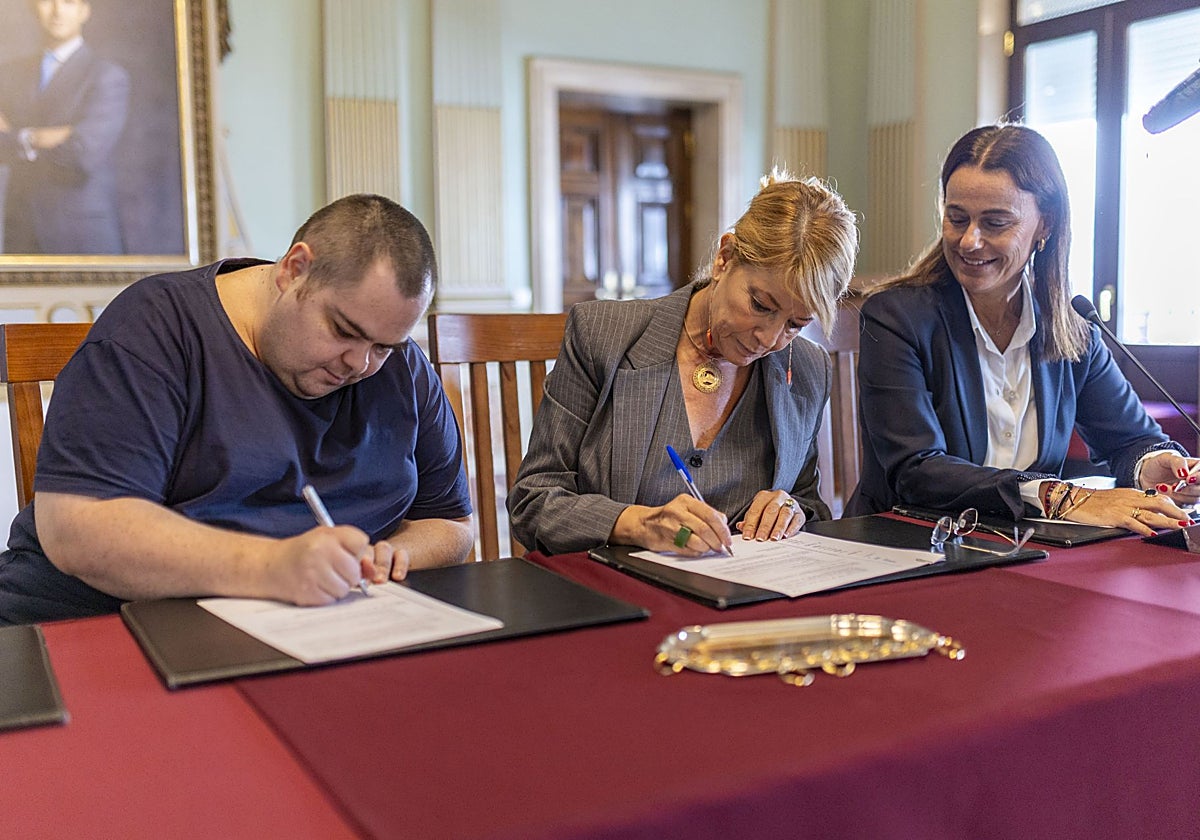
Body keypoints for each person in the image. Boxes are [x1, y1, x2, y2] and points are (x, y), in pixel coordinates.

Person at [0, 193, 474, 625]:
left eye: (384, 346)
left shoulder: (402, 367)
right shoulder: (155, 328)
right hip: (97, 626)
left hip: (300, 627)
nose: (360, 363)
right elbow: (79, 531)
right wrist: (274, 567)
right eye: (343, 331)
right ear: (294, 270)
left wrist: (390, 558)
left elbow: (451, 523)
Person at [846, 123, 1199, 534]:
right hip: (909, 546)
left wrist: (1153, 466)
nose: (969, 241)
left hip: (1025, 549)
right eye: (957, 218)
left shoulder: (1073, 330)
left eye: (995, 223)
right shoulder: (895, 317)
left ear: (1045, 225)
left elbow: (1131, 440)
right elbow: (916, 470)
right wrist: (1059, 496)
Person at [508, 170, 859, 557]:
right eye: (761, 305)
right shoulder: (602, 336)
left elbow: (808, 502)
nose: (769, 339)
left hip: (743, 588)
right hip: (614, 583)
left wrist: (791, 511)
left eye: (796, 324)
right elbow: (532, 501)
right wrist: (637, 524)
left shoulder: (807, 369)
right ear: (725, 258)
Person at [0, 0, 130, 254]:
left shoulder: (106, 76)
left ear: (84, 11)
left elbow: (83, 153)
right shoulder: (8, 75)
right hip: (20, 231)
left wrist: (15, 137)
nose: (57, 11)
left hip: (81, 234)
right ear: (33, 8)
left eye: (68, 2)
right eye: (47, 1)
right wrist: (46, 137)